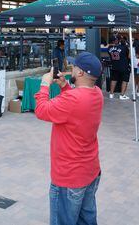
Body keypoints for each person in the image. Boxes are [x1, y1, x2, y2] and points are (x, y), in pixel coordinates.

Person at [35, 52, 104, 225]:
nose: (70, 69)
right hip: (90, 171)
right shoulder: (97, 93)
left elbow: (41, 110)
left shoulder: (72, 99)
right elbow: (75, 107)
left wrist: (45, 83)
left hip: (69, 177)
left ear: (80, 73)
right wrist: (65, 86)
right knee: (87, 218)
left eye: (73, 67)